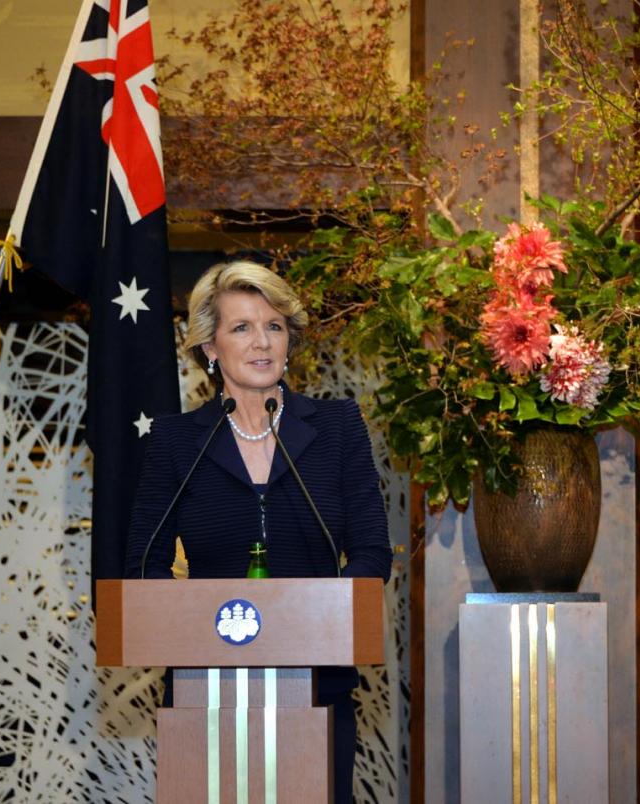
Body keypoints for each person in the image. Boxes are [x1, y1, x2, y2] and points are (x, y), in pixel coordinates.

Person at [124, 260, 392, 804]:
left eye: (274, 325)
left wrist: (319, 611)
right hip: (205, 694)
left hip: (319, 687)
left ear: (289, 340)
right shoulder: (177, 442)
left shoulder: (337, 427)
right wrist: (192, 625)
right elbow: (144, 565)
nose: (262, 341)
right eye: (241, 327)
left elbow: (370, 551)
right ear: (210, 347)